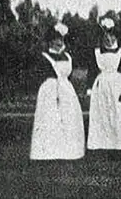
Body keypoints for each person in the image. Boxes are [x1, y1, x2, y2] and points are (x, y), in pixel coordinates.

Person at [87, 15, 121, 155]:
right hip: (102, 88)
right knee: (103, 116)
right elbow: (92, 71)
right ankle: (104, 146)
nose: (108, 39)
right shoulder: (97, 53)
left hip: (119, 88)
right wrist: (89, 89)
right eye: (105, 36)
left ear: (116, 37)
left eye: (111, 36)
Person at [30, 23, 85, 160]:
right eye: (56, 40)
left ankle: (69, 151)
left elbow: (68, 75)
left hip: (66, 90)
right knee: (51, 118)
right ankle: (49, 151)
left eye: (61, 40)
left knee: (69, 117)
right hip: (50, 89)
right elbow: (40, 75)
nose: (59, 43)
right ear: (50, 41)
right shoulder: (45, 56)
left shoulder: (67, 56)